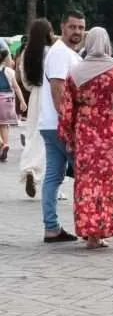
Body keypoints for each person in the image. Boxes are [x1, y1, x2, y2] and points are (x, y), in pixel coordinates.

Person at [58, 27, 113, 250]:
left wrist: (67, 136)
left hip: (87, 136)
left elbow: (66, 110)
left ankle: (93, 236)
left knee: (89, 184)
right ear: (107, 44)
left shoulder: (75, 73)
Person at [39, 10, 85, 243]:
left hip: (51, 123)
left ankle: (52, 227)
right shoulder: (60, 54)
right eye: (73, 27)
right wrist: (68, 126)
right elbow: (58, 90)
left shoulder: (66, 53)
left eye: (80, 27)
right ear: (62, 27)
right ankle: (88, 226)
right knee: (85, 174)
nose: (77, 32)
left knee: (54, 176)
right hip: (59, 125)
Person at [18, 18, 54, 197]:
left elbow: (25, 80)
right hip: (51, 96)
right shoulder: (52, 52)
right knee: (52, 140)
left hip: (35, 96)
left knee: (33, 135)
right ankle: (52, 183)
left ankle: (30, 169)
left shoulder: (26, 53)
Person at [0, 49, 26, 162]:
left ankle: (2, 145)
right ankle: (4, 145)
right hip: (8, 101)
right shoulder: (9, 71)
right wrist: (22, 101)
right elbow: (16, 87)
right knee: (5, 125)